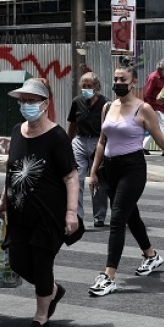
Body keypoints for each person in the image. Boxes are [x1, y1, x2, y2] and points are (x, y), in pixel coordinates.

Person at [87, 60, 164, 297]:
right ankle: (151, 255)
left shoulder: (143, 109)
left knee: (117, 219)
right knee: (130, 215)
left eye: (123, 80)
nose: (118, 83)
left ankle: (108, 276)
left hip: (132, 169)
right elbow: (102, 141)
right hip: (110, 169)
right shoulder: (108, 107)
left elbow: (163, 140)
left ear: (134, 82)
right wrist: (93, 172)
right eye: (115, 79)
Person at [0, 78, 80, 327]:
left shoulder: (56, 136)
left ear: (45, 104)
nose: (26, 105)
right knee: (18, 262)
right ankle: (52, 290)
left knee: (42, 264)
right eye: (23, 101)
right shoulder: (17, 130)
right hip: (19, 214)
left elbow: (71, 177)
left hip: (48, 215)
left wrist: (71, 212)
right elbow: (12, 171)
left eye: (32, 101)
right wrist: (3, 202)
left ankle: (41, 317)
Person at [67, 72, 109, 227]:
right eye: (83, 86)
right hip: (79, 140)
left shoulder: (105, 104)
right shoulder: (77, 102)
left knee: (96, 180)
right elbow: (72, 124)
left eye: (89, 86)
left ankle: (99, 216)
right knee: (76, 179)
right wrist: (68, 143)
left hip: (97, 142)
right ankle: (77, 215)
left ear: (96, 87)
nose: (86, 89)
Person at [141, 58, 164, 151]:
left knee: (154, 129)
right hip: (156, 107)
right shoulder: (153, 77)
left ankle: (143, 147)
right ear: (160, 68)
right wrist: (150, 108)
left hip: (163, 107)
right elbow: (146, 94)